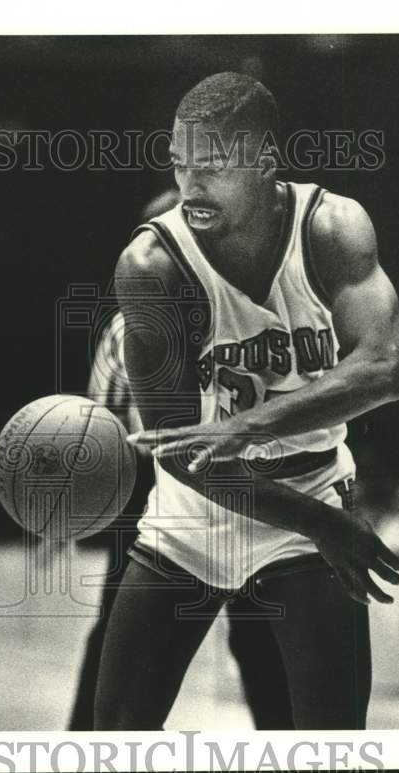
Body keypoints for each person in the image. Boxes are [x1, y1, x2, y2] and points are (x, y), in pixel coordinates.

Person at [95, 73, 399, 730]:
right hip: (194, 515)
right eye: (181, 166)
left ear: (265, 162)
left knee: (331, 741)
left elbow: (384, 367)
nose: (191, 187)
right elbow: (181, 455)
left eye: (211, 168)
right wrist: (321, 522)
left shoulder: (332, 229)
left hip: (311, 492)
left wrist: (248, 429)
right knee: (114, 738)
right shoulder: (152, 265)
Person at [67, 193, 295, 730]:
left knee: (257, 642)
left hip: (237, 489)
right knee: (129, 640)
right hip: (164, 494)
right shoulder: (129, 330)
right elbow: (103, 435)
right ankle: (88, 746)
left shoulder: (252, 320)